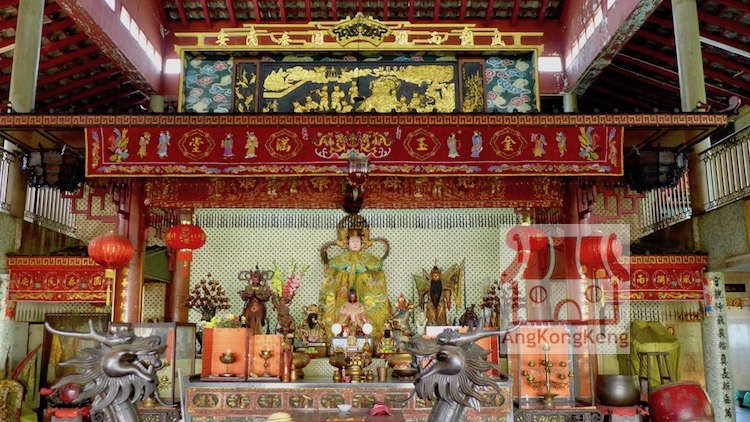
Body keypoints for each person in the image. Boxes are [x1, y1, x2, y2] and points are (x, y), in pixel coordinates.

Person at [319, 226, 392, 336]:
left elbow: (378, 272)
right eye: (352, 241)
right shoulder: (340, 259)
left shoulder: (369, 259)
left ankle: (368, 331)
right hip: (344, 291)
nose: (355, 244)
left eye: (357, 241)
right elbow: (331, 270)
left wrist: (364, 274)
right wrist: (344, 273)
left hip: (363, 290)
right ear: (348, 243)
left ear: (362, 243)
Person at [239, 266, 272, 334]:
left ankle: (261, 323)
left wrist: (257, 295)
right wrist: (247, 295)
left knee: (260, 316)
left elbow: (266, 297)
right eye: (254, 279)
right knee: (245, 315)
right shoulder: (248, 287)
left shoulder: (263, 287)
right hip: (250, 303)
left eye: (257, 279)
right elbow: (244, 298)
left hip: (259, 304)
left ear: (260, 279)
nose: (255, 280)